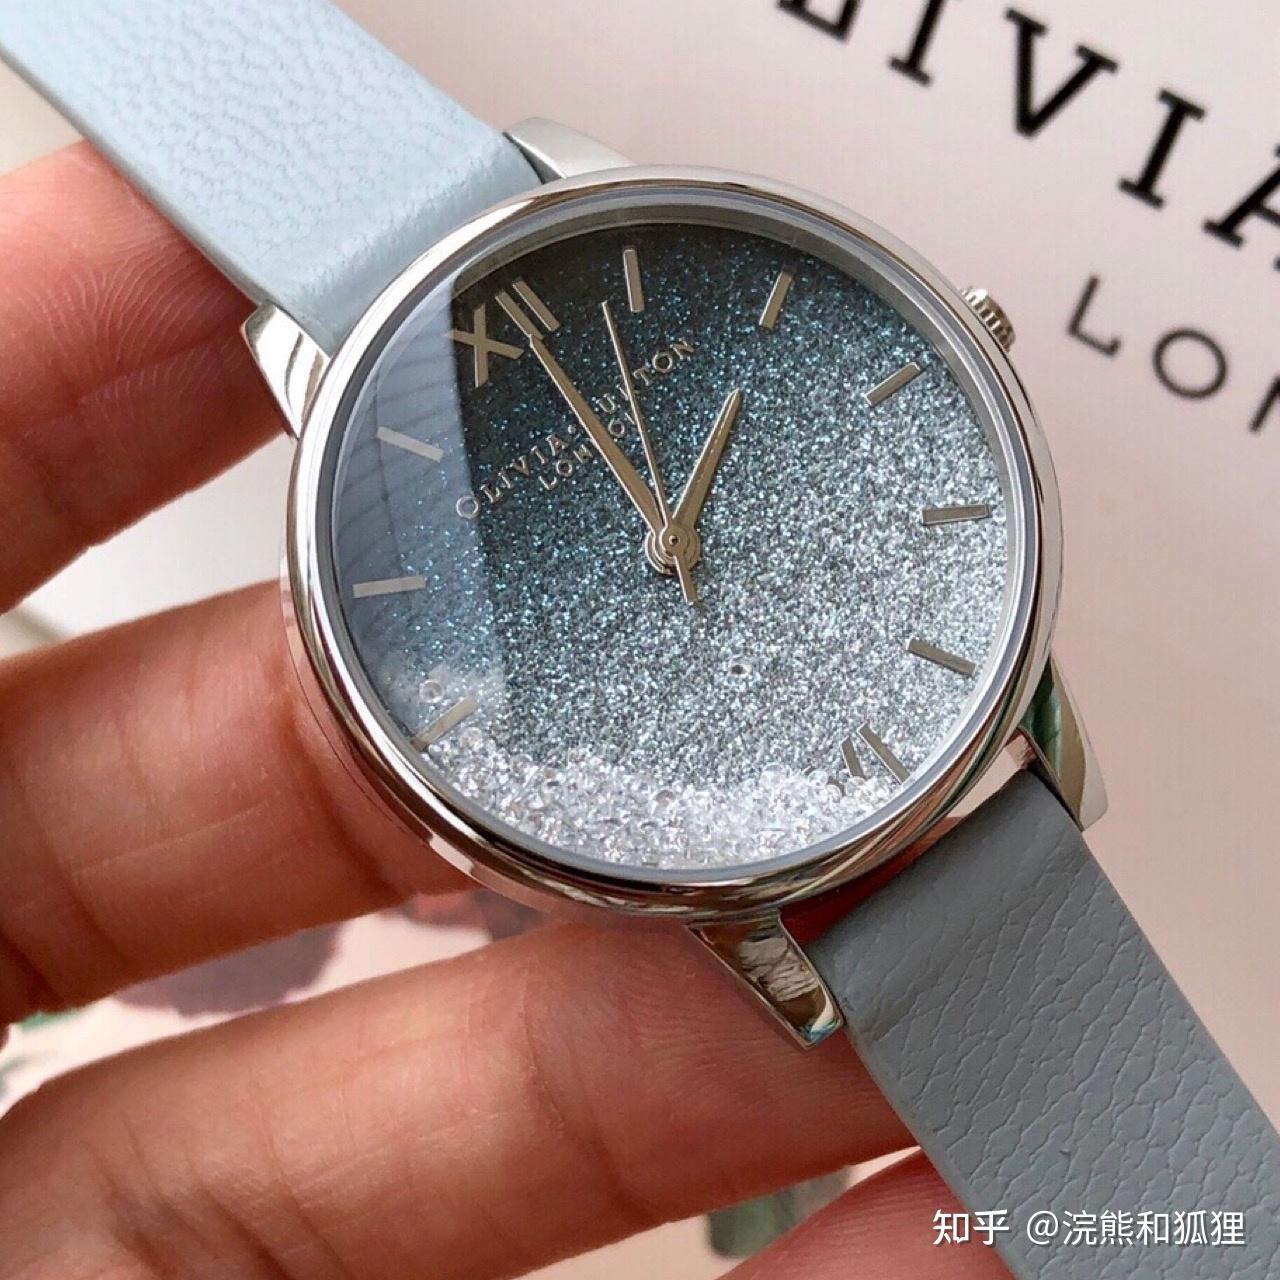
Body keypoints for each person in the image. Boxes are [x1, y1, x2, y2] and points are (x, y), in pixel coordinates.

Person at [0, 143, 1010, 1279]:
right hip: (773, 875)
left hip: (967, 741)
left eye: (674, 536)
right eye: (670, 539)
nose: (669, 546)